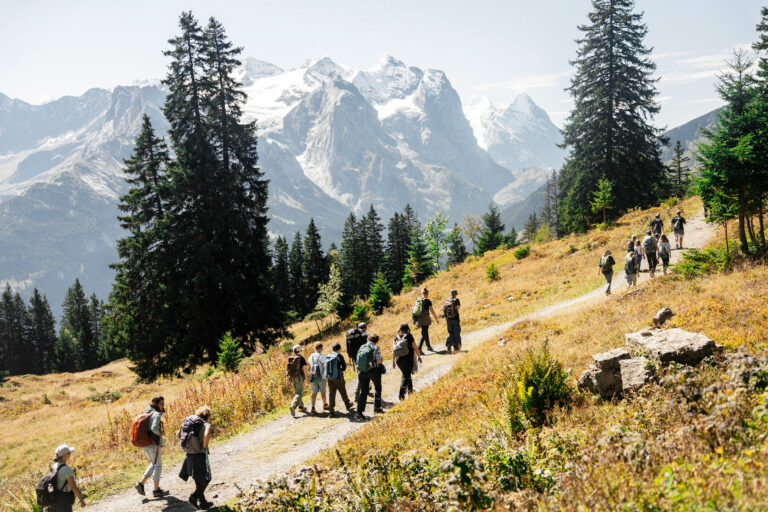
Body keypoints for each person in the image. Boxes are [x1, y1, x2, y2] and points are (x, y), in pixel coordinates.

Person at [179, 406, 213, 510]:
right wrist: (204, 446)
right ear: (207, 416)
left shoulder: (190, 423)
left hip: (189, 454)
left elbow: (178, 433)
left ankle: (203, 503)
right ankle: (194, 497)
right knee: (207, 478)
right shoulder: (205, 424)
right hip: (199, 454)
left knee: (199, 479)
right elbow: (206, 434)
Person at [134, 395, 169, 498]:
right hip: (153, 443)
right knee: (158, 466)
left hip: (145, 442)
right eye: (161, 404)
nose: (163, 405)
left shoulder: (147, 411)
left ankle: (140, 484)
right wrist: (160, 433)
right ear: (157, 404)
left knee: (154, 463)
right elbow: (154, 428)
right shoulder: (157, 414)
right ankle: (156, 490)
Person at [355, 333, 384, 420]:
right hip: (373, 371)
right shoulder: (375, 347)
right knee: (377, 388)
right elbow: (379, 361)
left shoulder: (362, 346)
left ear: (368, 339)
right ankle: (377, 407)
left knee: (364, 391)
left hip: (362, 371)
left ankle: (359, 412)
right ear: (376, 341)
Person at [49, 444, 86, 512]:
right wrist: (81, 500)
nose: (70, 454)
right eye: (69, 453)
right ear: (65, 456)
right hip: (63, 500)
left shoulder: (53, 466)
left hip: (54, 499)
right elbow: (73, 486)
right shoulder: (66, 469)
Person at [392, 323, 421, 401]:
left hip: (399, 360)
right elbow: (415, 348)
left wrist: (393, 361)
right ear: (407, 328)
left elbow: (394, 350)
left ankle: (410, 392)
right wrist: (419, 356)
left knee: (407, 374)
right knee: (405, 376)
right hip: (408, 359)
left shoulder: (396, 337)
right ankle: (401, 396)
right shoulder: (409, 336)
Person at [325, 343, 354, 417]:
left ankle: (331, 411)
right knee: (342, 391)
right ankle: (347, 405)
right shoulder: (339, 356)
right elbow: (344, 367)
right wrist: (340, 369)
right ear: (339, 349)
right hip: (338, 377)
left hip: (329, 378)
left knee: (332, 393)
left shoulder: (328, 356)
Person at [346, 322, 369, 402]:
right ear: (364, 328)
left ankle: (367, 387)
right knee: (361, 373)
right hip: (362, 356)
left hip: (354, 356)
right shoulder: (363, 335)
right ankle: (357, 394)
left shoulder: (351, 334)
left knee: (362, 372)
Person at [413, 287, 440, 352]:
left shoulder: (418, 299)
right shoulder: (427, 301)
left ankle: (428, 347)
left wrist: (414, 320)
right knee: (423, 333)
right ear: (427, 293)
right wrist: (436, 319)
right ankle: (419, 349)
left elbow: (413, 310)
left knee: (425, 332)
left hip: (419, 318)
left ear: (422, 293)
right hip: (425, 318)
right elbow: (432, 311)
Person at [307, 342, 329, 415]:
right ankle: (325, 405)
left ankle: (313, 407)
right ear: (321, 348)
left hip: (313, 377)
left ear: (315, 348)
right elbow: (324, 365)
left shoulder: (311, 356)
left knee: (314, 392)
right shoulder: (322, 356)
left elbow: (310, 364)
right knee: (323, 392)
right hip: (321, 377)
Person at [287, 344, 308, 417]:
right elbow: (304, 370)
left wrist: (287, 380)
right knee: (299, 393)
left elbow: (288, 370)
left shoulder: (291, 358)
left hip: (292, 378)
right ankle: (292, 406)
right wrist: (307, 379)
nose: (302, 351)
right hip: (299, 377)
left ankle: (301, 407)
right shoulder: (301, 358)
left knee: (297, 392)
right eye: (301, 350)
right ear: (299, 351)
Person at [443, 289, 462, 353]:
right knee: (456, 333)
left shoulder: (447, 300)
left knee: (451, 333)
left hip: (448, 319)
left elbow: (444, 309)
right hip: (455, 319)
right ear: (455, 294)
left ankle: (449, 344)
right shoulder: (456, 300)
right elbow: (458, 308)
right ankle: (457, 347)